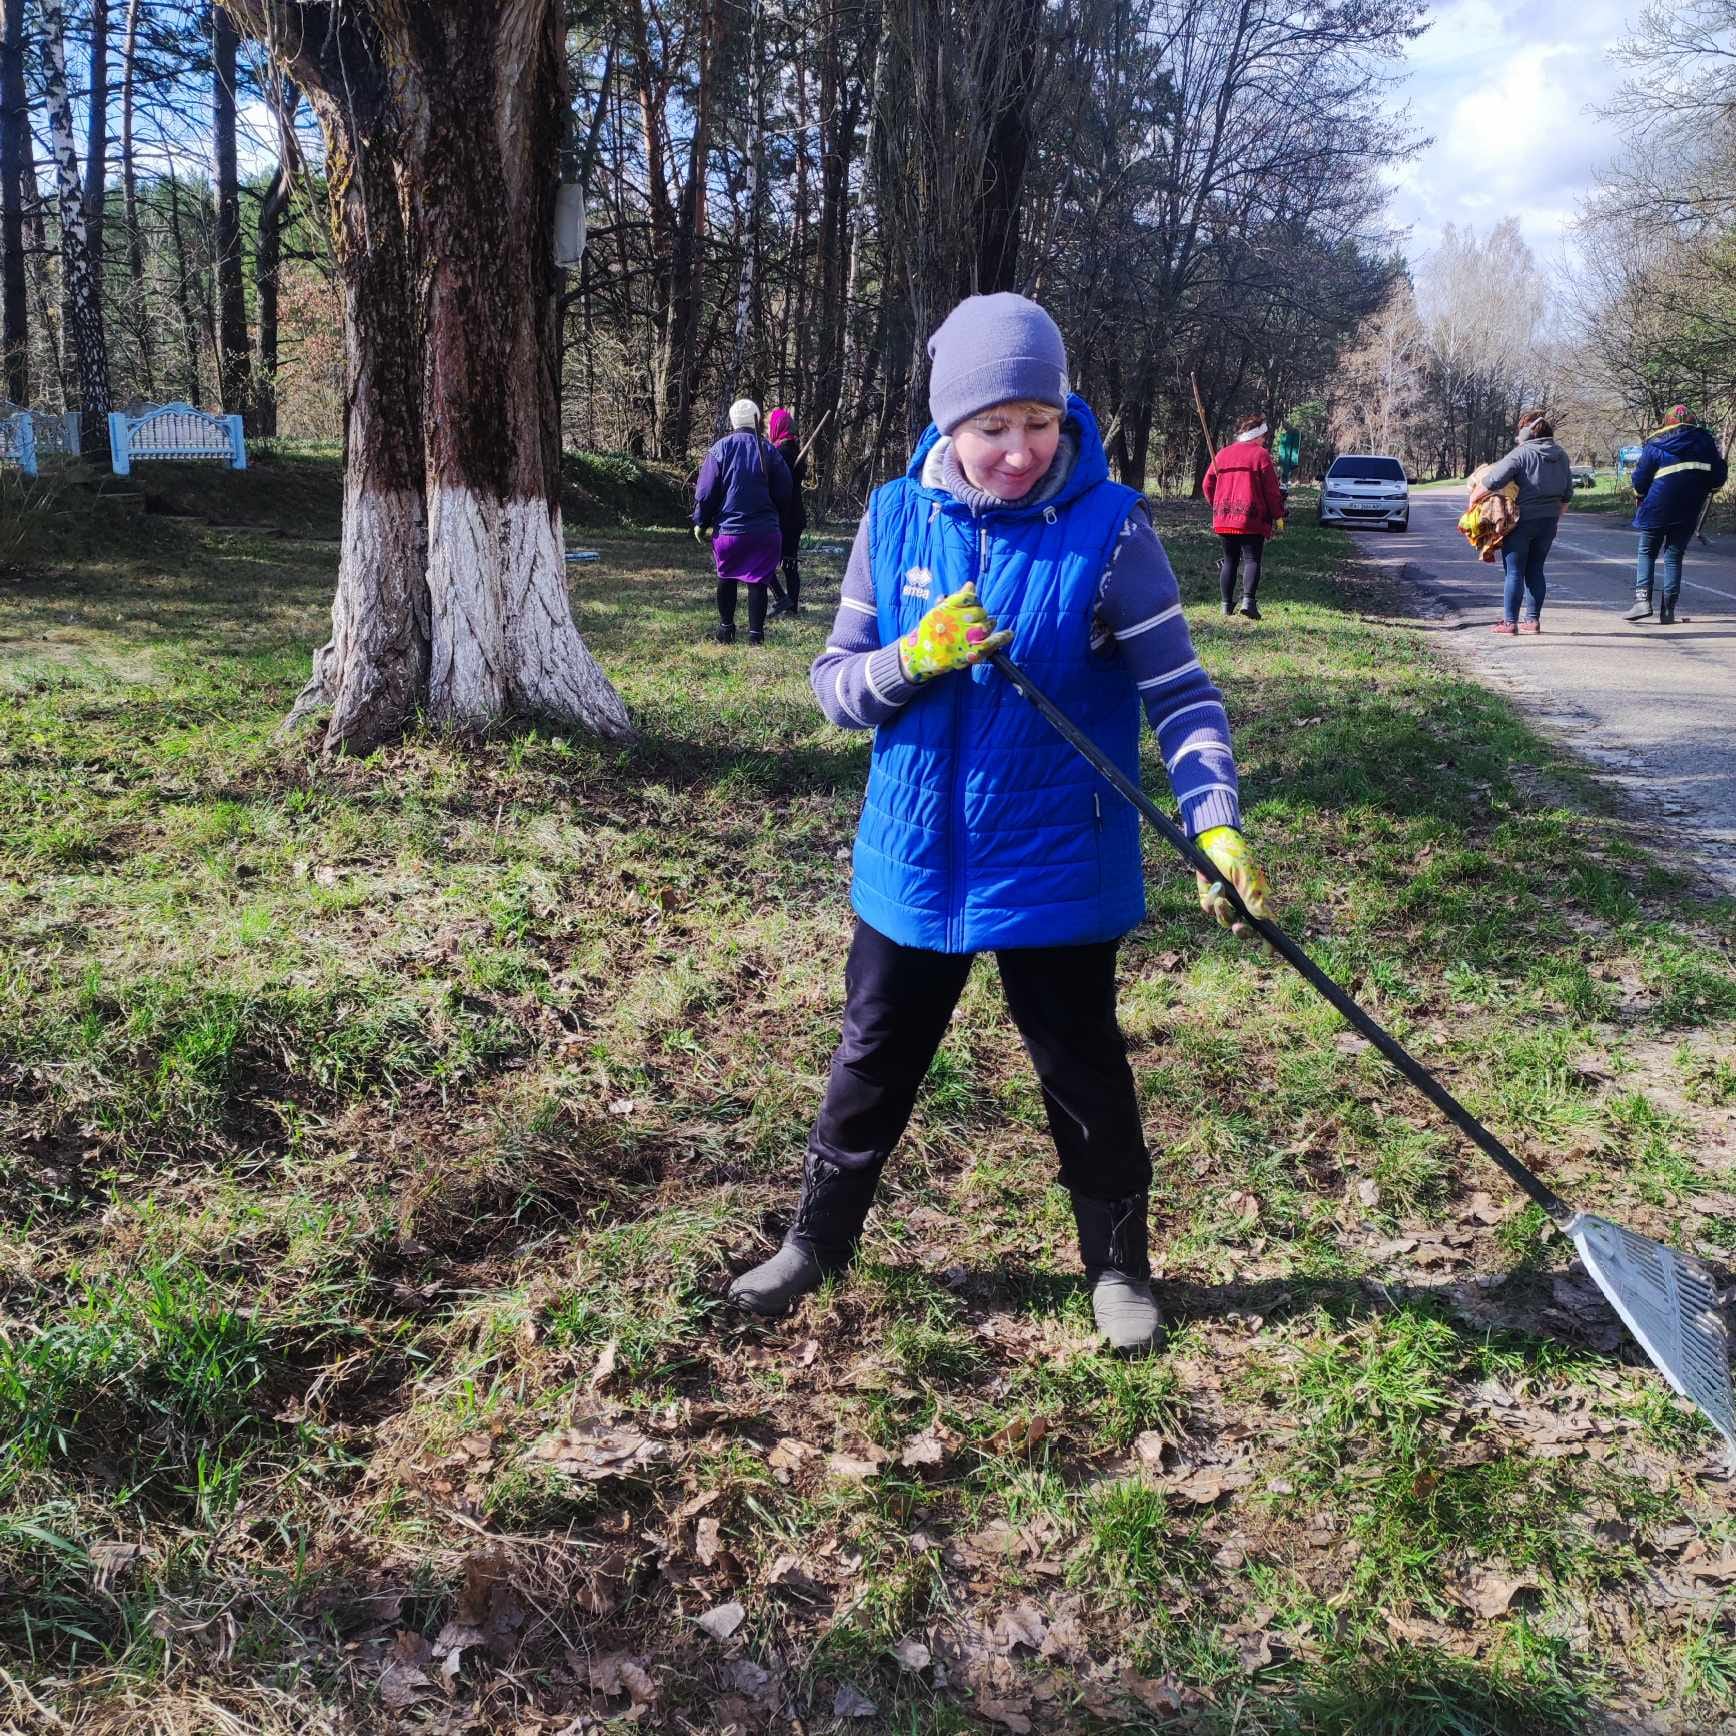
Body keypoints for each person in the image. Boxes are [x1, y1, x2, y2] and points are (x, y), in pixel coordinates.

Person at [726, 293, 1269, 1354]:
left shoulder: (1110, 532)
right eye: (991, 427)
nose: (1017, 451)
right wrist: (910, 658)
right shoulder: (891, 518)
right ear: (947, 424)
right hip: (910, 858)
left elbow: (1184, 695)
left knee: (1079, 1062)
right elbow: (832, 687)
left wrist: (1215, 823)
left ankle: (1117, 1264)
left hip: (1057, 859)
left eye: (1040, 421)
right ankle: (816, 1240)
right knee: (871, 1057)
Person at [692, 399, 793, 645]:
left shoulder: (720, 449)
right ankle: (755, 636)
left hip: (729, 532)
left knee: (725, 576)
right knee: (758, 580)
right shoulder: (769, 450)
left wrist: (700, 521)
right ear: (757, 420)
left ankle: (726, 629)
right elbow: (785, 491)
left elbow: (706, 492)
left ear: (732, 420)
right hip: (764, 532)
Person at [1467, 410, 1572, 635]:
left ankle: (1510, 623)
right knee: (1536, 569)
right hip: (1548, 521)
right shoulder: (1562, 455)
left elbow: (1492, 480)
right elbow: (1567, 495)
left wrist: (1472, 501)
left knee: (1514, 571)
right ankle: (1532, 622)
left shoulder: (1521, 454)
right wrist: (1554, 519)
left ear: (1526, 432)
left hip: (1521, 520)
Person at [1623, 405, 1728, 626]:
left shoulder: (1655, 443)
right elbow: (1717, 479)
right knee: (1673, 556)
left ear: (1668, 421)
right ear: (1692, 421)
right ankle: (1668, 610)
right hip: (1689, 507)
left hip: (1656, 506)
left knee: (1647, 552)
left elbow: (1641, 479)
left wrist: (1639, 494)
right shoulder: (1706, 442)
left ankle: (1642, 601)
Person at [1202, 415, 1286, 619]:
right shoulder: (1261, 456)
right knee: (1252, 559)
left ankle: (1225, 605)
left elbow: (1207, 484)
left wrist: (1217, 504)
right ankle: (1248, 601)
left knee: (1230, 560)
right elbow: (1272, 491)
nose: (1265, 440)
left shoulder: (1222, 454)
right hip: (1252, 518)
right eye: (1264, 436)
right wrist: (1278, 516)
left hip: (1224, 517)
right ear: (1256, 436)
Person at [766, 407, 808, 617]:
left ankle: (785, 601)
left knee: (765, 560)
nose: (767, 429)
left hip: (783, 517)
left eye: (769, 425)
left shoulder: (781, 453)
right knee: (789, 562)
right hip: (794, 516)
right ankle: (789, 605)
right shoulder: (793, 450)